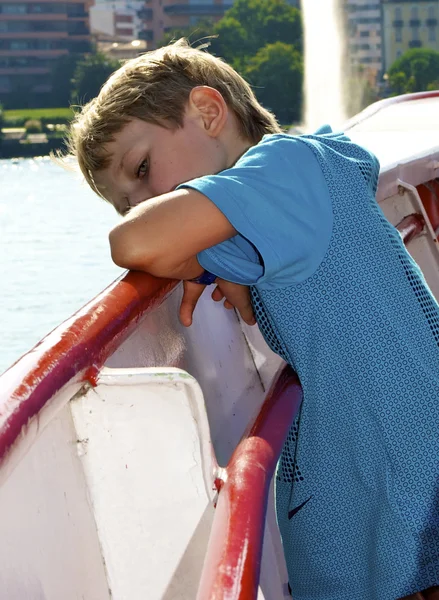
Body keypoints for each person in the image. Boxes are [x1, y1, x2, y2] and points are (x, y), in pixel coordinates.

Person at [63, 40, 439, 600]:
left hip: (408, 481)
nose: (144, 202)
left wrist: (182, 243)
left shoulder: (283, 170)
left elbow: (133, 242)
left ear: (209, 113)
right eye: (128, 200)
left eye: (142, 171)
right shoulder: (297, 178)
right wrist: (212, 259)